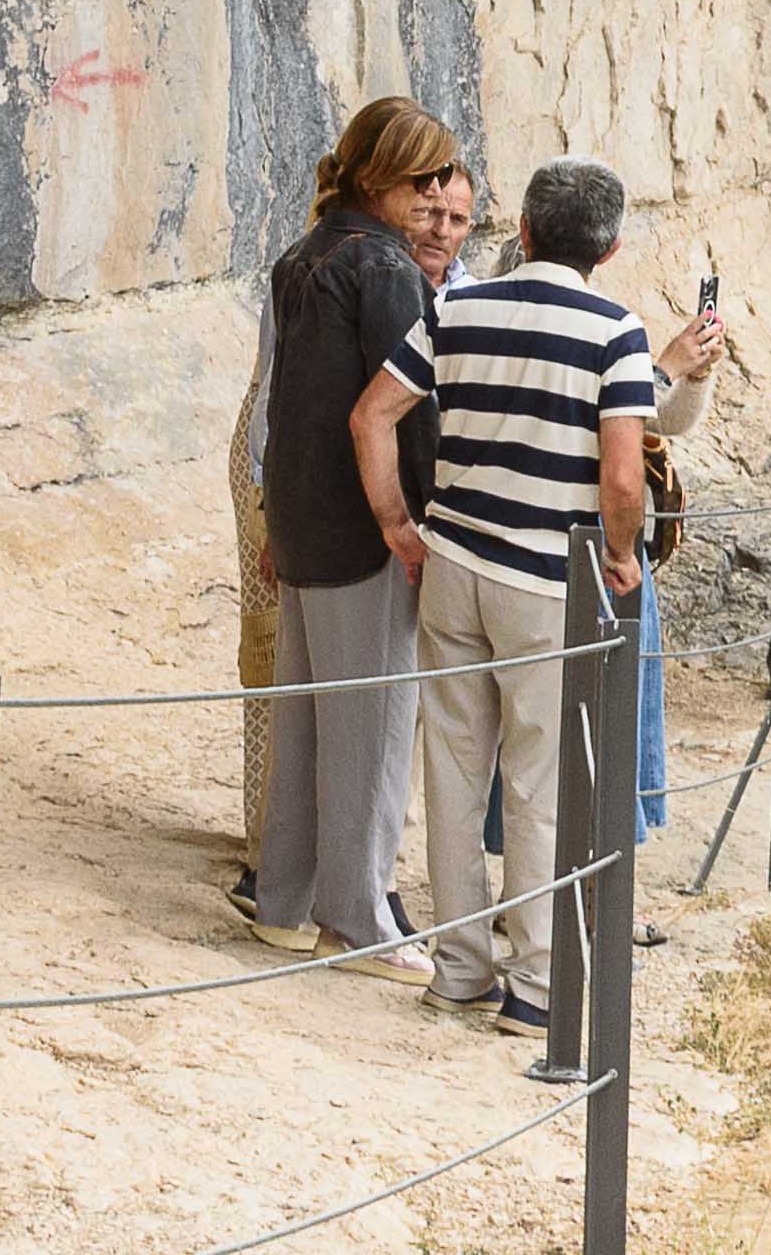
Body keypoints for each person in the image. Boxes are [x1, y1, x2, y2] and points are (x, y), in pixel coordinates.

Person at [355, 156, 656, 1037]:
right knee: (538, 783)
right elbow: (624, 475)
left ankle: (457, 970)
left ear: (521, 230)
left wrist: (397, 525)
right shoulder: (616, 331)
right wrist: (624, 553)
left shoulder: (456, 307)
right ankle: (535, 983)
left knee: (452, 770)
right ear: (609, 246)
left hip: (452, 559)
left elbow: (372, 413)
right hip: (546, 580)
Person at [247, 99, 459, 976]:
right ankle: (360, 922)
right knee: (372, 733)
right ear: (380, 176)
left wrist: (271, 518)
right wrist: (409, 524)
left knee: (302, 724)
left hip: (300, 518)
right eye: (424, 178)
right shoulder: (385, 268)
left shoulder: (302, 255)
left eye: (443, 178)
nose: (436, 195)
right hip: (366, 525)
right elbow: (402, 417)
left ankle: (283, 903)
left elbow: (282, 407)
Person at [586, 183, 735, 845]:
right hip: (588, 548)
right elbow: (621, 441)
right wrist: (670, 366)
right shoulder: (602, 327)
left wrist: (690, 374)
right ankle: (586, 911)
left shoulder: (607, 325)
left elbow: (657, 420)